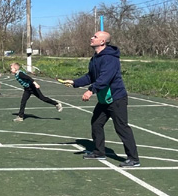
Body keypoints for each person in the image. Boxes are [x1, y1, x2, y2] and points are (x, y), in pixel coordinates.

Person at [60, 31, 140, 167]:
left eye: (95, 37)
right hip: (104, 99)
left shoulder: (110, 58)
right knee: (96, 123)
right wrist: (75, 82)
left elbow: (105, 78)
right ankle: (99, 152)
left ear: (102, 42)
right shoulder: (95, 58)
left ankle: (133, 159)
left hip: (116, 98)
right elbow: (91, 76)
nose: (91, 38)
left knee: (121, 128)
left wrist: (91, 90)